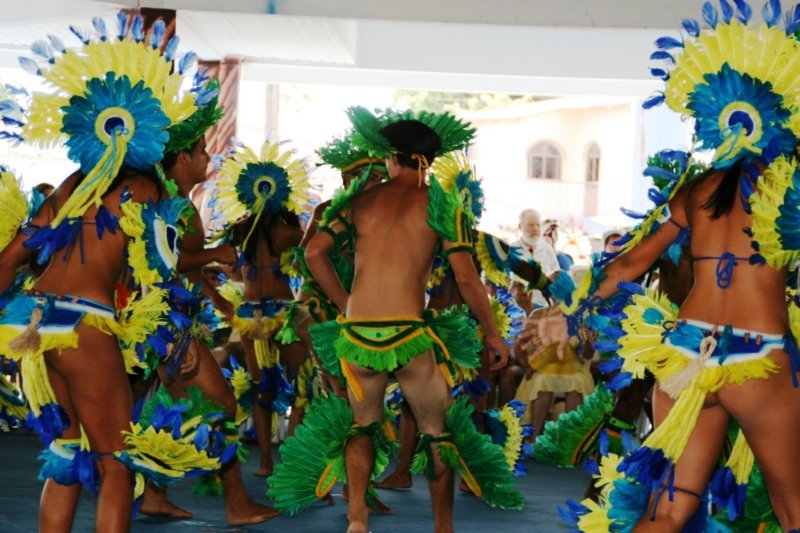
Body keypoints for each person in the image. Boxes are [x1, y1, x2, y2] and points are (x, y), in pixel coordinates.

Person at [528, 4, 800, 529]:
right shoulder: (788, 188)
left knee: (670, 508)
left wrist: (571, 312)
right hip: (757, 358)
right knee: (794, 510)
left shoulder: (696, 189)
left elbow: (629, 263)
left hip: (684, 354)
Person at [0, 16, 217, 530]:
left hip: (34, 325)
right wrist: (177, 341)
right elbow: (156, 274)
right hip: (83, 324)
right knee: (116, 462)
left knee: (67, 455)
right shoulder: (146, 190)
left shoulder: (71, 185)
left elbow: (9, 260)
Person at [267, 108, 521, 533]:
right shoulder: (443, 205)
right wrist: (492, 334)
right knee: (436, 432)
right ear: (428, 161)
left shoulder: (360, 201)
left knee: (362, 426)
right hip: (409, 334)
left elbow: (313, 253)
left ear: (392, 157)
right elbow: (466, 279)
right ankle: (443, 526)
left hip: (359, 334)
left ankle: (357, 520)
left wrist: (346, 302)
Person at [208, 139, 310, 478]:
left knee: (261, 386)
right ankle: (291, 457)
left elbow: (236, 272)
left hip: (250, 314)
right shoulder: (290, 232)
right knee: (302, 382)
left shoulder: (241, 229)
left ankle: (266, 462)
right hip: (284, 312)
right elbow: (309, 262)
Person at [513, 209, 561, 309]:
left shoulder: (547, 249)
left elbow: (557, 277)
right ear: (520, 226)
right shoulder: (512, 251)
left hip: (545, 308)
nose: (535, 229)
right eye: (531, 225)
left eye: (538, 225)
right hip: (519, 309)